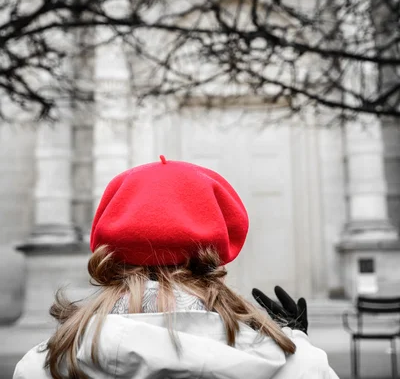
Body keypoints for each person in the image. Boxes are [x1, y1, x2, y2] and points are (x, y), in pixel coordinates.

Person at [14, 156, 339, 379]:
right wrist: (296, 341)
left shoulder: (43, 366)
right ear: (213, 256)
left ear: (110, 257)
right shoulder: (301, 367)